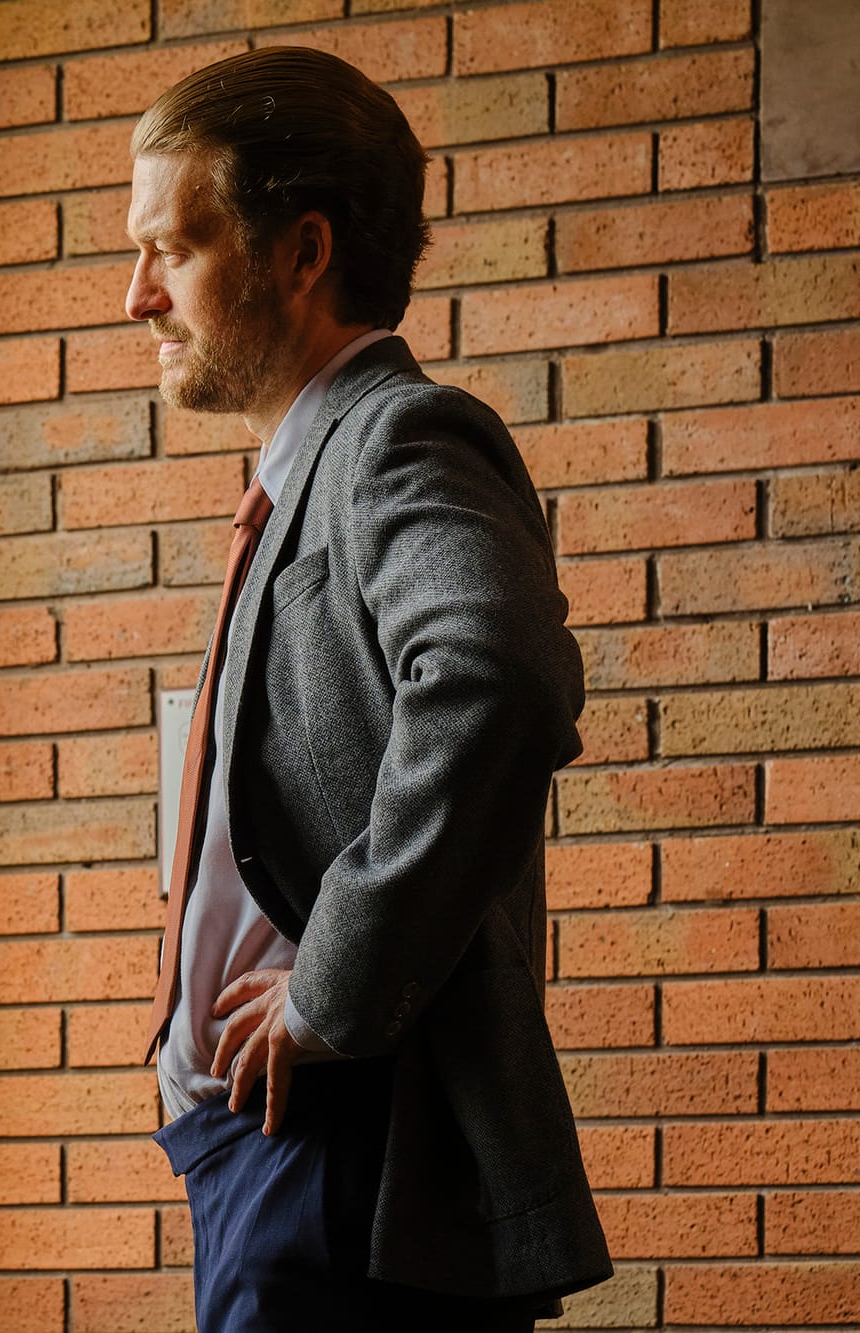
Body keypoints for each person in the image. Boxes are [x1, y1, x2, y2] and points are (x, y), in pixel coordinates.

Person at [129, 47, 612, 1331]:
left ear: (300, 253)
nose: (137, 298)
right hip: (273, 1155)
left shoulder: (398, 436)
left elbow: (497, 681)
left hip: (345, 1157)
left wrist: (330, 985)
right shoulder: (311, 476)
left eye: (171, 249)